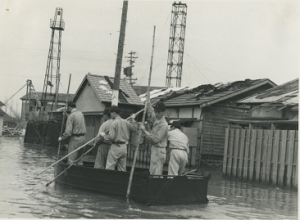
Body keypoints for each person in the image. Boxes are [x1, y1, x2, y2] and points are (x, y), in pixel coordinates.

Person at [99, 106, 137, 171]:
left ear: (114, 113)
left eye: (111, 113)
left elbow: (111, 137)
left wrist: (104, 135)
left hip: (115, 146)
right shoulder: (126, 122)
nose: (110, 115)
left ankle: (109, 180)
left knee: (110, 167)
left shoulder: (113, 123)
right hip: (124, 147)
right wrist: (133, 119)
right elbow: (134, 128)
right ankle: (121, 180)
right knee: (122, 169)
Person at [140, 100, 169, 175]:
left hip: (159, 150)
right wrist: (148, 101)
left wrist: (144, 130)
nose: (156, 114)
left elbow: (155, 139)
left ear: (163, 112)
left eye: (159, 112)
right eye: (156, 112)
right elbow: (151, 111)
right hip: (155, 150)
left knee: (156, 173)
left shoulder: (164, 125)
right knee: (153, 171)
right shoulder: (156, 118)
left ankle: (155, 186)